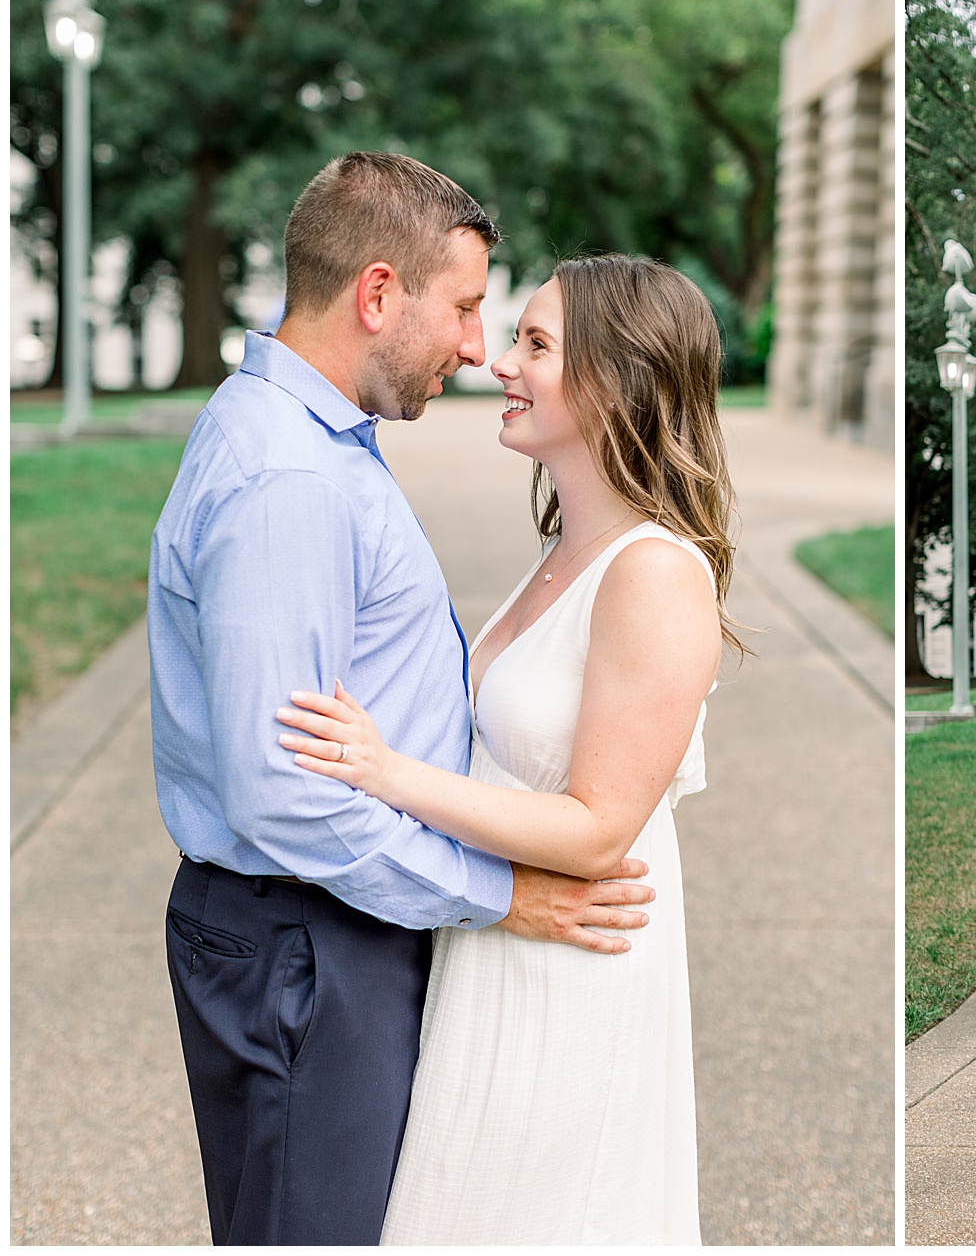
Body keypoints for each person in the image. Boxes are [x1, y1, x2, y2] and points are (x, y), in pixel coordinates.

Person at [148, 152, 656, 1246]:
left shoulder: (309, 441)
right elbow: (287, 797)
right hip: (310, 946)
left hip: (326, 932)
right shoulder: (290, 480)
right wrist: (498, 897)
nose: (478, 347)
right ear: (378, 295)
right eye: (469, 309)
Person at [275, 251, 735, 1242]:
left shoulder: (654, 574)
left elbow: (599, 829)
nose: (498, 362)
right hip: (495, 952)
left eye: (535, 344)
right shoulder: (564, 553)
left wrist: (387, 772)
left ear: (615, 379)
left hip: (574, 977)